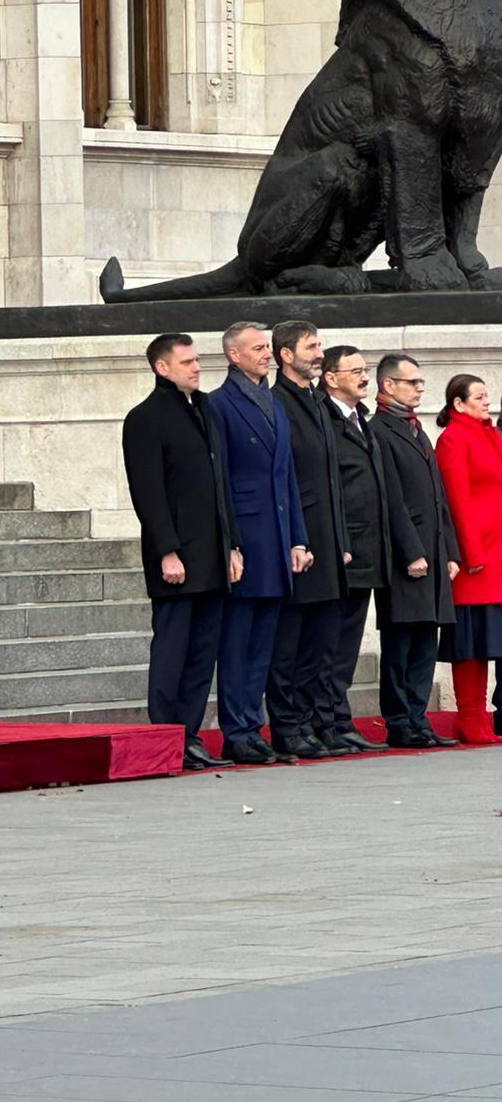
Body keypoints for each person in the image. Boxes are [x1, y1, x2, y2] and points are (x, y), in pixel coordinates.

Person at [121, 333, 240, 773]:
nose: (196, 367)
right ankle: (165, 734)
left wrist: (233, 545)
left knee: (202, 651)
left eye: (196, 360)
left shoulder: (205, 409)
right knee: (173, 648)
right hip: (176, 557)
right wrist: (167, 551)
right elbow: (148, 493)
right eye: (186, 361)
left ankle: (189, 734)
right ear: (162, 367)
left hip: (212, 554)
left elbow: (220, 483)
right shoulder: (145, 418)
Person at [208, 322, 309, 764]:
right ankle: (237, 730)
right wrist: (230, 543)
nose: (267, 354)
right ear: (234, 355)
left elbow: (286, 476)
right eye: (257, 348)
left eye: (267, 347)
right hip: (246, 539)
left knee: (264, 642)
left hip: (277, 535)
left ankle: (254, 726)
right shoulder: (218, 404)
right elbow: (220, 481)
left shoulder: (273, 401)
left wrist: (298, 540)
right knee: (237, 642)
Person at [266, 321, 351, 760]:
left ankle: (312, 722)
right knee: (290, 643)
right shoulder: (277, 401)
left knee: (320, 641)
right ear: (285, 354)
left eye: (319, 346)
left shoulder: (317, 400)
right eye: (311, 346)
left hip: (328, 538)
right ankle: (287, 726)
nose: (319, 353)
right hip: (299, 540)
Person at [369, 355, 460, 749]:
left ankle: (418, 718)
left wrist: (450, 550)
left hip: (434, 551)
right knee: (401, 639)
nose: (420, 388)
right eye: (413, 382)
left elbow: (438, 498)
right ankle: (399, 721)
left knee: (426, 637)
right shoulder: (380, 430)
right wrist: (412, 551)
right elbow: (392, 499)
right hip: (407, 555)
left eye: (421, 383)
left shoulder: (416, 429)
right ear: (389, 386)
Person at [317, 345, 396, 754]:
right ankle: (328, 720)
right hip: (344, 548)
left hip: (368, 549)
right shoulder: (325, 420)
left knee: (346, 643)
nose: (365, 378)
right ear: (330, 377)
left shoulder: (361, 419)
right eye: (355, 371)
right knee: (332, 641)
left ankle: (338, 717)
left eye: (365, 370)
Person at [434, 373, 502, 744]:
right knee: (471, 645)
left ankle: (483, 716)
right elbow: (456, 500)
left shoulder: (488, 434)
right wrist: (471, 554)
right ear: (458, 404)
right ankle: (470, 716)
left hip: (499, 555)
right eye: (478, 396)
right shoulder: (453, 439)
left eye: (486, 394)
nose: (486, 400)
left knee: (492, 641)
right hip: (478, 560)